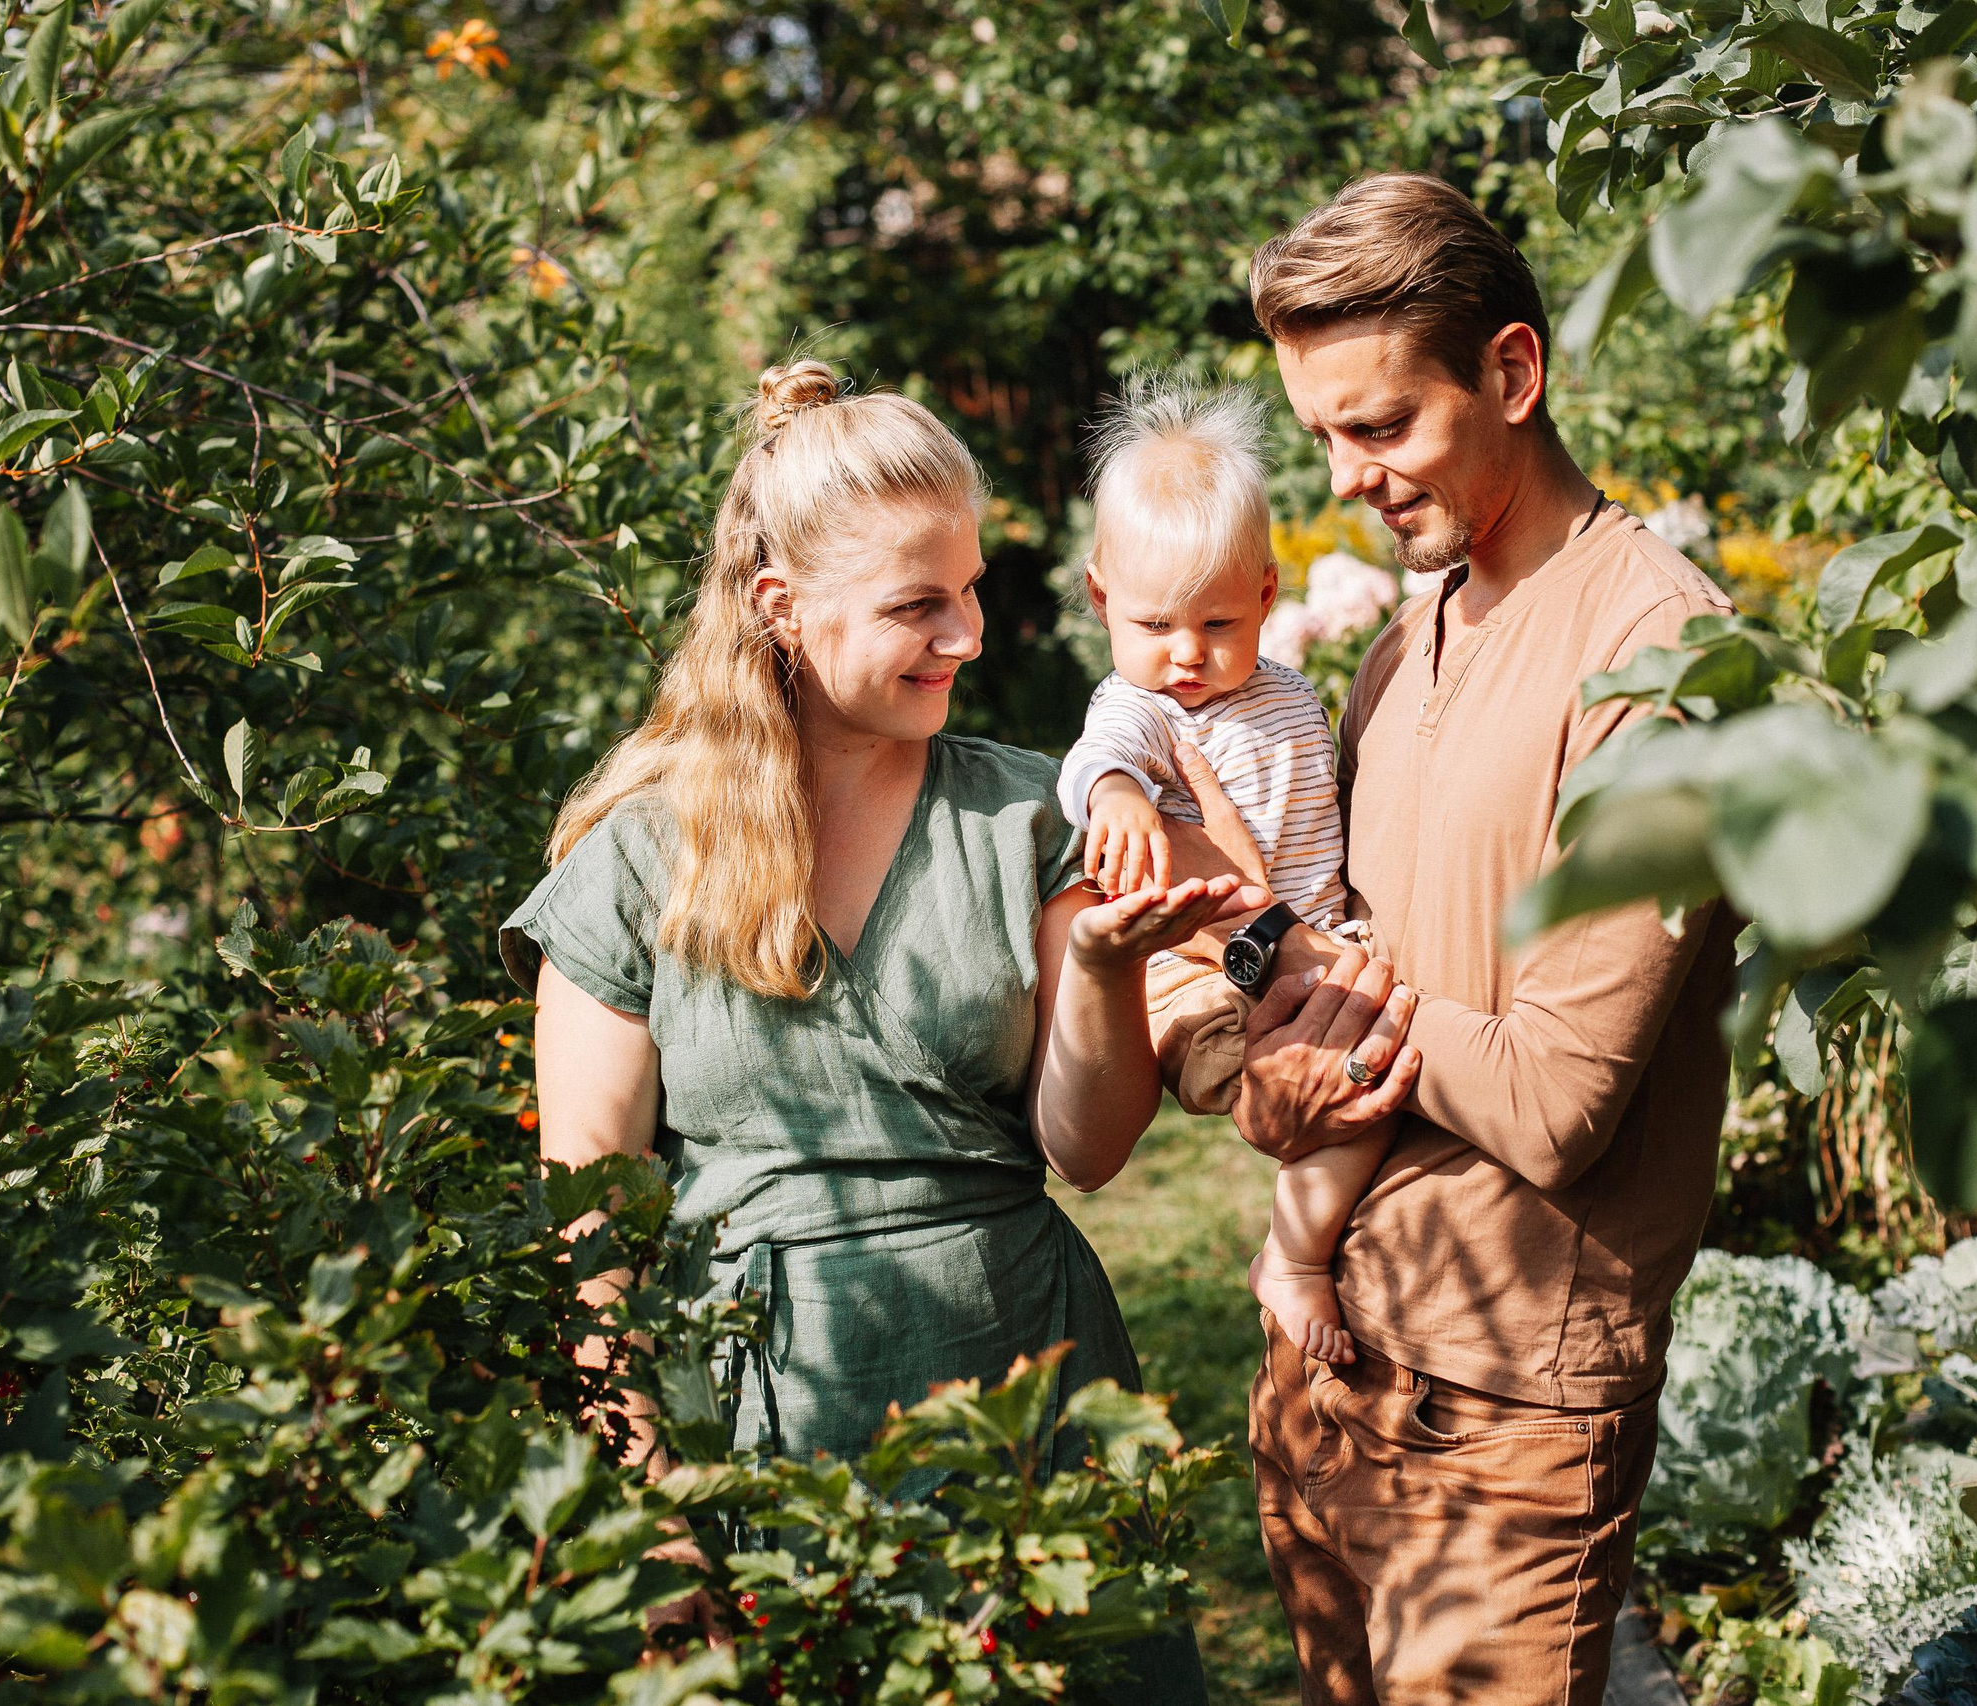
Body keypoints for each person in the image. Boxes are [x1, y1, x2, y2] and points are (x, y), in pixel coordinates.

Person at [500, 359, 1239, 1703]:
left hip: (1023, 1373)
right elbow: (587, 1223)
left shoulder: (1031, 818)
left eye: (967, 590)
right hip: (762, 1408)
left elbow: (1089, 1146)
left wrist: (1102, 978)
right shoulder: (637, 858)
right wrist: (651, 1497)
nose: (966, 634)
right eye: (917, 604)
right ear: (781, 607)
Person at [1170, 175, 1743, 1704]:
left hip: (1505, 1414)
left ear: (1511, 372)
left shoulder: (1657, 657)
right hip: (1324, 1360)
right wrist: (1277, 1068)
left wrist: (1331, 1002)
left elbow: (1555, 1099)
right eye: (1321, 436)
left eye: (1380, 427)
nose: (1346, 478)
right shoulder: (1398, 645)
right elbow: (1325, 977)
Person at [1053, 376, 1387, 1368]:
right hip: (1193, 973)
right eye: (1154, 626)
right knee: (1316, 1096)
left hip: (1312, 942)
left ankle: (1298, 1246)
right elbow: (1093, 759)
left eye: (1216, 625)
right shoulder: (1141, 708)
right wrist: (1116, 796)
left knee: (1371, 1083)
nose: (1186, 655)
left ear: (1267, 598)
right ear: (1102, 600)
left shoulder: (1290, 691)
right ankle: (1294, 1254)